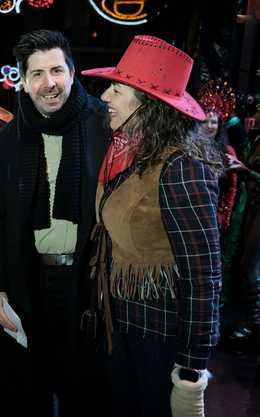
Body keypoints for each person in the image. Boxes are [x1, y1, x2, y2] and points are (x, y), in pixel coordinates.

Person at [82, 35, 225, 416]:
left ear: (148, 103)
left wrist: (191, 365)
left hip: (160, 335)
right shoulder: (125, 151)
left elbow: (204, 275)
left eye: (116, 89)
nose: (105, 97)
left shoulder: (182, 167)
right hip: (120, 323)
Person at [0, 29, 111, 416]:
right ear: (23, 80)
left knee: (84, 393)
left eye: (56, 70)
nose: (48, 83)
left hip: (88, 282)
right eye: (37, 74)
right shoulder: (6, 141)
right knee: (27, 392)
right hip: (27, 281)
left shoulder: (106, 126)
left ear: (72, 72)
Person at [197, 79, 242, 307]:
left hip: (216, 217)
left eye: (213, 121)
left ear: (220, 125)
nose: (209, 126)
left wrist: (224, 215)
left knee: (216, 261)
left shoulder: (227, 151)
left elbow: (231, 187)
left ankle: (215, 303)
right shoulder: (192, 148)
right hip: (196, 213)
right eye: (205, 121)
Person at [227, 136, 260, 342]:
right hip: (254, 202)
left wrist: (248, 172)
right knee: (248, 264)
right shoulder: (258, 138)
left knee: (250, 263)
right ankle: (252, 321)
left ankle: (253, 322)